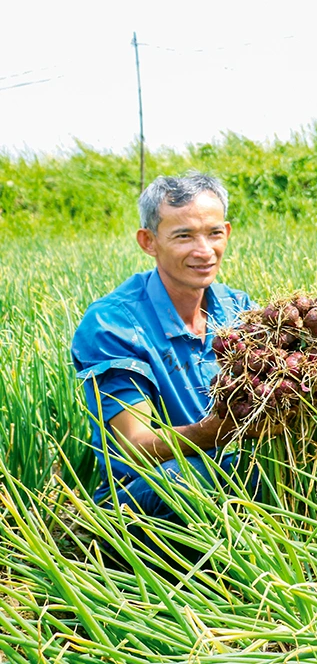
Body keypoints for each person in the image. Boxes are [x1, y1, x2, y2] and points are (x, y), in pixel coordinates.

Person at [72, 172, 258, 534]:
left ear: (228, 233)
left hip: (231, 470)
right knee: (185, 482)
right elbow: (135, 446)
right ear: (149, 241)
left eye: (214, 233)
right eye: (184, 236)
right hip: (145, 493)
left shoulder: (238, 309)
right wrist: (214, 433)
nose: (204, 251)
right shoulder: (113, 325)